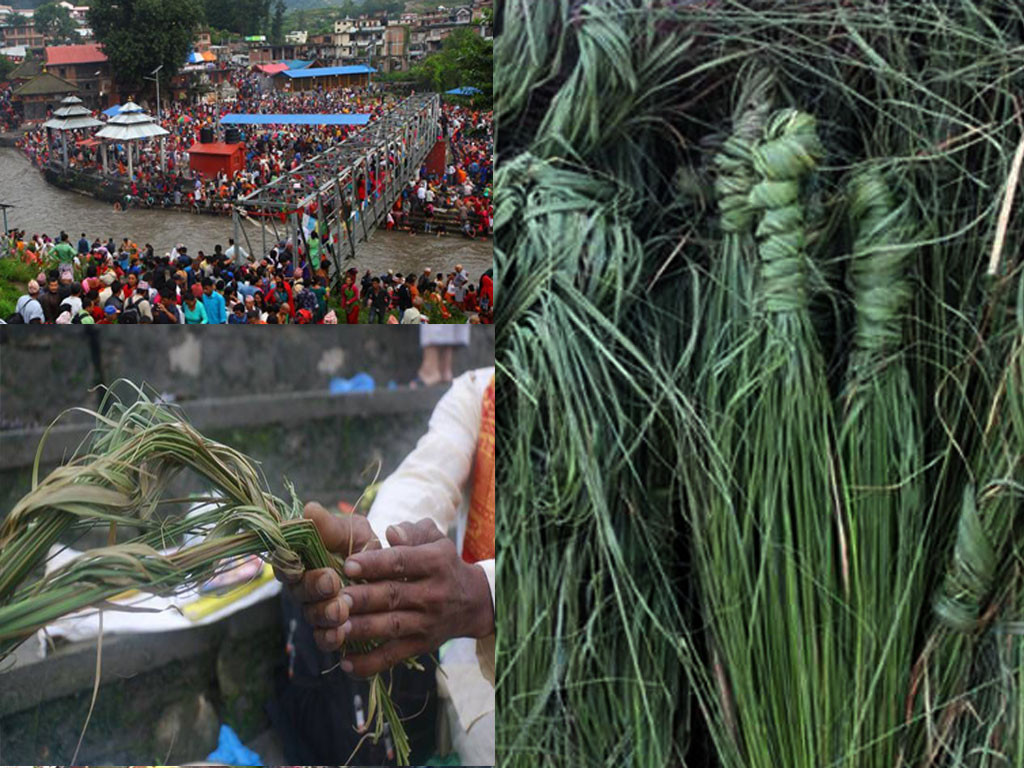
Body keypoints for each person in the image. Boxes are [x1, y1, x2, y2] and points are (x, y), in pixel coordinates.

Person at [277, 367, 496, 763]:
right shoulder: (479, 391)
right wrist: (370, 553)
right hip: (476, 668)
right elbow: (424, 478)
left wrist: (487, 594)